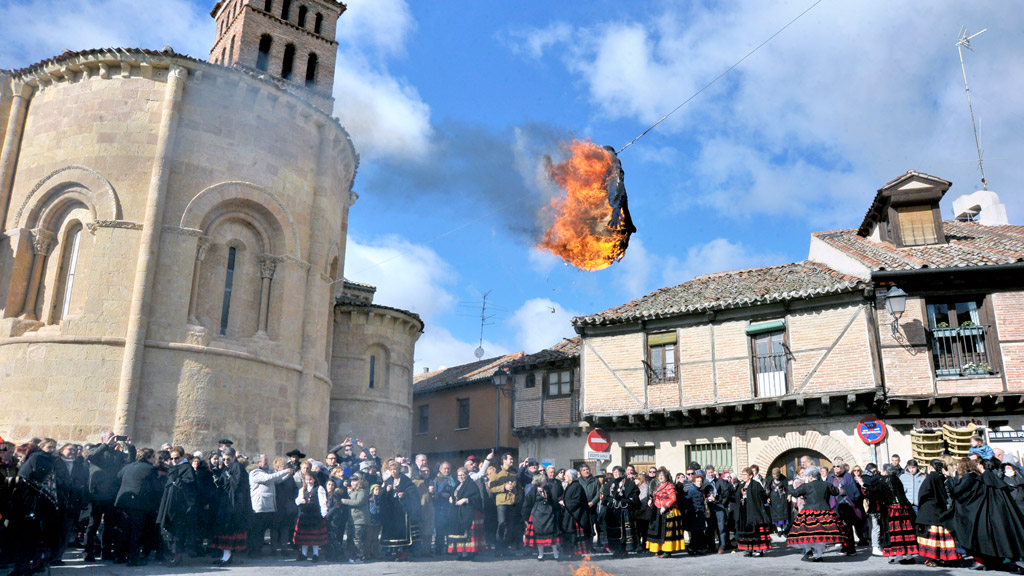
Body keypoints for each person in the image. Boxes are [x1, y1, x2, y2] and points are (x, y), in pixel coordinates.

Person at [953, 458, 1024, 570]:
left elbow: (973, 497)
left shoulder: (982, 480)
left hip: (988, 515)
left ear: (982, 467)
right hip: (1001, 516)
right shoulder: (995, 478)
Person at [85, 432, 136, 562]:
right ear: (103, 439)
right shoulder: (96, 449)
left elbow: (130, 460)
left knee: (109, 525)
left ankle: (106, 551)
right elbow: (91, 456)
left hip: (111, 494)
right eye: (110, 437)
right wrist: (105, 445)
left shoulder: (118, 453)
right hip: (96, 495)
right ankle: (88, 552)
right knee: (93, 524)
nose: (113, 440)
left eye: (114, 437)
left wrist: (130, 447)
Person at [785, 465, 843, 562]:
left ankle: (808, 550)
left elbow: (795, 493)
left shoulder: (806, 486)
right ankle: (819, 556)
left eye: (808, 476)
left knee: (806, 533)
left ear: (811, 476)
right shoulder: (826, 485)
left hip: (809, 512)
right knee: (821, 535)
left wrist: (790, 485)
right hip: (824, 512)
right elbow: (836, 492)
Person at [115, 448, 159, 567]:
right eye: (153, 457)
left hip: (124, 502)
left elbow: (118, 476)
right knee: (136, 531)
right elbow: (155, 487)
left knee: (125, 530)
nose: (155, 459)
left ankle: (119, 556)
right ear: (148, 457)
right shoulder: (151, 469)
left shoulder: (129, 466)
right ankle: (133, 559)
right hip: (139, 503)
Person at [157, 446, 197, 566]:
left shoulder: (187, 468)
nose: (174, 460)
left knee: (177, 531)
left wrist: (178, 483)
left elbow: (190, 485)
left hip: (180, 505)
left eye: (176, 458)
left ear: (182, 457)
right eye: (172, 458)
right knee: (169, 529)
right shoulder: (173, 468)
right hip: (169, 503)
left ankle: (177, 556)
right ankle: (170, 554)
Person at [248, 454, 294, 557]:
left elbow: (277, 480)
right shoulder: (255, 472)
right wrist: (284, 471)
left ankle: (259, 551)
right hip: (259, 507)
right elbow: (268, 478)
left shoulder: (266, 471)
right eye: (265, 460)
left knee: (263, 530)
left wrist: (288, 474)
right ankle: (254, 552)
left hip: (268, 507)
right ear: (258, 462)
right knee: (257, 531)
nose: (267, 462)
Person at [211, 447, 251, 565]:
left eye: (228, 459)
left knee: (228, 529)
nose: (225, 461)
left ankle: (227, 556)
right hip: (226, 503)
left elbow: (237, 484)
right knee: (225, 529)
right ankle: (226, 555)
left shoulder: (237, 467)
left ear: (233, 457)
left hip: (233, 504)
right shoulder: (227, 468)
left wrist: (227, 477)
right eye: (223, 459)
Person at [916, 459, 960, 567]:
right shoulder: (942, 477)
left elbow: (923, 493)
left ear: (931, 467)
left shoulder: (930, 477)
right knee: (941, 536)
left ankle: (932, 558)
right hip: (940, 510)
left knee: (931, 537)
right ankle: (945, 557)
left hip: (929, 510)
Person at [379, 460, 421, 561]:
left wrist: (404, 495)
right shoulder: (388, 481)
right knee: (392, 533)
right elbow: (382, 497)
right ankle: (393, 552)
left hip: (403, 511)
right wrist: (386, 491)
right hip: (392, 512)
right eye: (391, 470)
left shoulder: (406, 480)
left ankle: (403, 553)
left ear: (399, 470)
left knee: (402, 533)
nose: (393, 472)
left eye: (395, 469)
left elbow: (413, 493)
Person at [291, 462, 328, 562]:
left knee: (314, 537)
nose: (308, 482)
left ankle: (315, 554)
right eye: (307, 480)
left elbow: (323, 502)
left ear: (314, 479)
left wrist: (323, 514)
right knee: (304, 536)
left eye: (310, 480)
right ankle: (303, 554)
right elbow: (296, 500)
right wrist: (300, 501)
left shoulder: (319, 489)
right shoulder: (302, 490)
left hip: (315, 515)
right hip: (304, 515)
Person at [447, 466, 485, 560]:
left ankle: (469, 552)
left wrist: (466, 499)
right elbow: (454, 494)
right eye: (459, 475)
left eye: (463, 475)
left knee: (468, 534)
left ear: (467, 475)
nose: (461, 477)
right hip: (459, 513)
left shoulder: (471, 485)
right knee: (459, 533)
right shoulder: (457, 485)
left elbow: (476, 498)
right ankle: (461, 552)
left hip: (469, 513)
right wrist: (451, 498)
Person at [646, 468, 684, 557]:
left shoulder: (670, 486)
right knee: (658, 531)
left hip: (667, 511)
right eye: (659, 476)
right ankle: (659, 549)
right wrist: (651, 500)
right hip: (658, 510)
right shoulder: (658, 486)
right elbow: (654, 495)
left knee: (667, 532)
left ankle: (667, 551)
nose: (661, 477)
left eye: (663, 476)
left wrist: (665, 506)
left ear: (666, 477)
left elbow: (673, 498)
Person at [603, 465, 639, 557]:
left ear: (622, 473)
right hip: (612, 512)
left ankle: (624, 550)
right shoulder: (609, 483)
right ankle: (616, 549)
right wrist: (609, 500)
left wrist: (626, 500)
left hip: (624, 511)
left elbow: (635, 495)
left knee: (624, 531)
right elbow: (605, 497)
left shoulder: (628, 483)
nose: (615, 473)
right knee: (614, 532)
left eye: (617, 472)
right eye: (614, 472)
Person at [489, 453, 520, 557]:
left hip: (512, 502)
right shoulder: (497, 472)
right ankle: (498, 549)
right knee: (501, 524)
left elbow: (519, 487)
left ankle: (506, 548)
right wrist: (504, 487)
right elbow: (492, 488)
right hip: (501, 503)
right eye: (510, 459)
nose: (512, 460)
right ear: (504, 460)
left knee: (509, 527)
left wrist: (518, 497)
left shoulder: (514, 472)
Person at [826, 458, 860, 554]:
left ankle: (850, 548)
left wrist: (843, 491)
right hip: (835, 505)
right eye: (834, 466)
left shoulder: (848, 476)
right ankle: (844, 547)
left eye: (838, 466)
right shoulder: (831, 477)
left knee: (847, 527)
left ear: (842, 467)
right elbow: (828, 490)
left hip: (846, 504)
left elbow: (853, 490)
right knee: (839, 526)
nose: (836, 468)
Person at [736, 467, 771, 557]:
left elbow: (763, 495)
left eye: (745, 475)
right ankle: (748, 549)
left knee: (757, 531)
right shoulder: (741, 485)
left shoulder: (756, 485)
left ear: (750, 476)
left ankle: (759, 549)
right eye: (742, 475)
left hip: (755, 511)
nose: (743, 477)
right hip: (744, 512)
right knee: (747, 531)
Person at [524, 473, 560, 561]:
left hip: (549, 514)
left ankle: (555, 553)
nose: (546, 480)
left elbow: (552, 501)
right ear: (540, 481)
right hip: (537, 515)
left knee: (552, 534)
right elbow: (527, 504)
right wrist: (525, 515)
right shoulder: (533, 491)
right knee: (539, 535)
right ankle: (540, 554)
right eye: (544, 479)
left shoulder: (547, 490)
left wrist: (555, 509)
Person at [560, 469, 592, 557]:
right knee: (569, 534)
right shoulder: (571, 485)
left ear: (571, 477)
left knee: (573, 535)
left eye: (566, 475)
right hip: (570, 514)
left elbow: (576, 501)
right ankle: (570, 552)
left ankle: (575, 553)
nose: (564, 477)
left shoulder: (576, 486)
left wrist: (565, 503)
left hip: (575, 516)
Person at [341, 473, 369, 563]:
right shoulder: (353, 490)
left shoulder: (362, 491)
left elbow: (358, 502)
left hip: (359, 519)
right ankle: (355, 554)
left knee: (357, 538)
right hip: (352, 518)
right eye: (352, 480)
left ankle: (360, 556)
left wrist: (345, 501)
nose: (353, 482)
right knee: (352, 537)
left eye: (355, 480)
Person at [433, 461, 456, 555]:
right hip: (440, 508)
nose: (446, 470)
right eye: (445, 468)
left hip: (452, 508)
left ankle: (451, 550)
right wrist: (441, 494)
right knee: (440, 531)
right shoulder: (437, 480)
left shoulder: (454, 479)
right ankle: (439, 550)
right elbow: (433, 494)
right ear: (440, 469)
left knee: (451, 530)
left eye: (448, 468)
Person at [577, 464, 601, 544]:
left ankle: (591, 545)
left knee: (592, 526)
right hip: (582, 508)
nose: (586, 471)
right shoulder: (578, 481)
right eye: (583, 470)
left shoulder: (595, 481)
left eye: (587, 469)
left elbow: (598, 493)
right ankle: (584, 545)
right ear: (580, 472)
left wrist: (592, 502)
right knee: (584, 526)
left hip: (592, 507)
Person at [768, 467, 791, 536]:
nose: (776, 477)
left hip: (782, 499)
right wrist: (767, 497)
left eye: (777, 476)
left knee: (784, 514)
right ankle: (779, 530)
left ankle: (784, 529)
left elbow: (788, 487)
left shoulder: (784, 479)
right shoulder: (769, 479)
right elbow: (767, 489)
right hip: (774, 500)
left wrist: (789, 495)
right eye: (774, 476)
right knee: (776, 516)